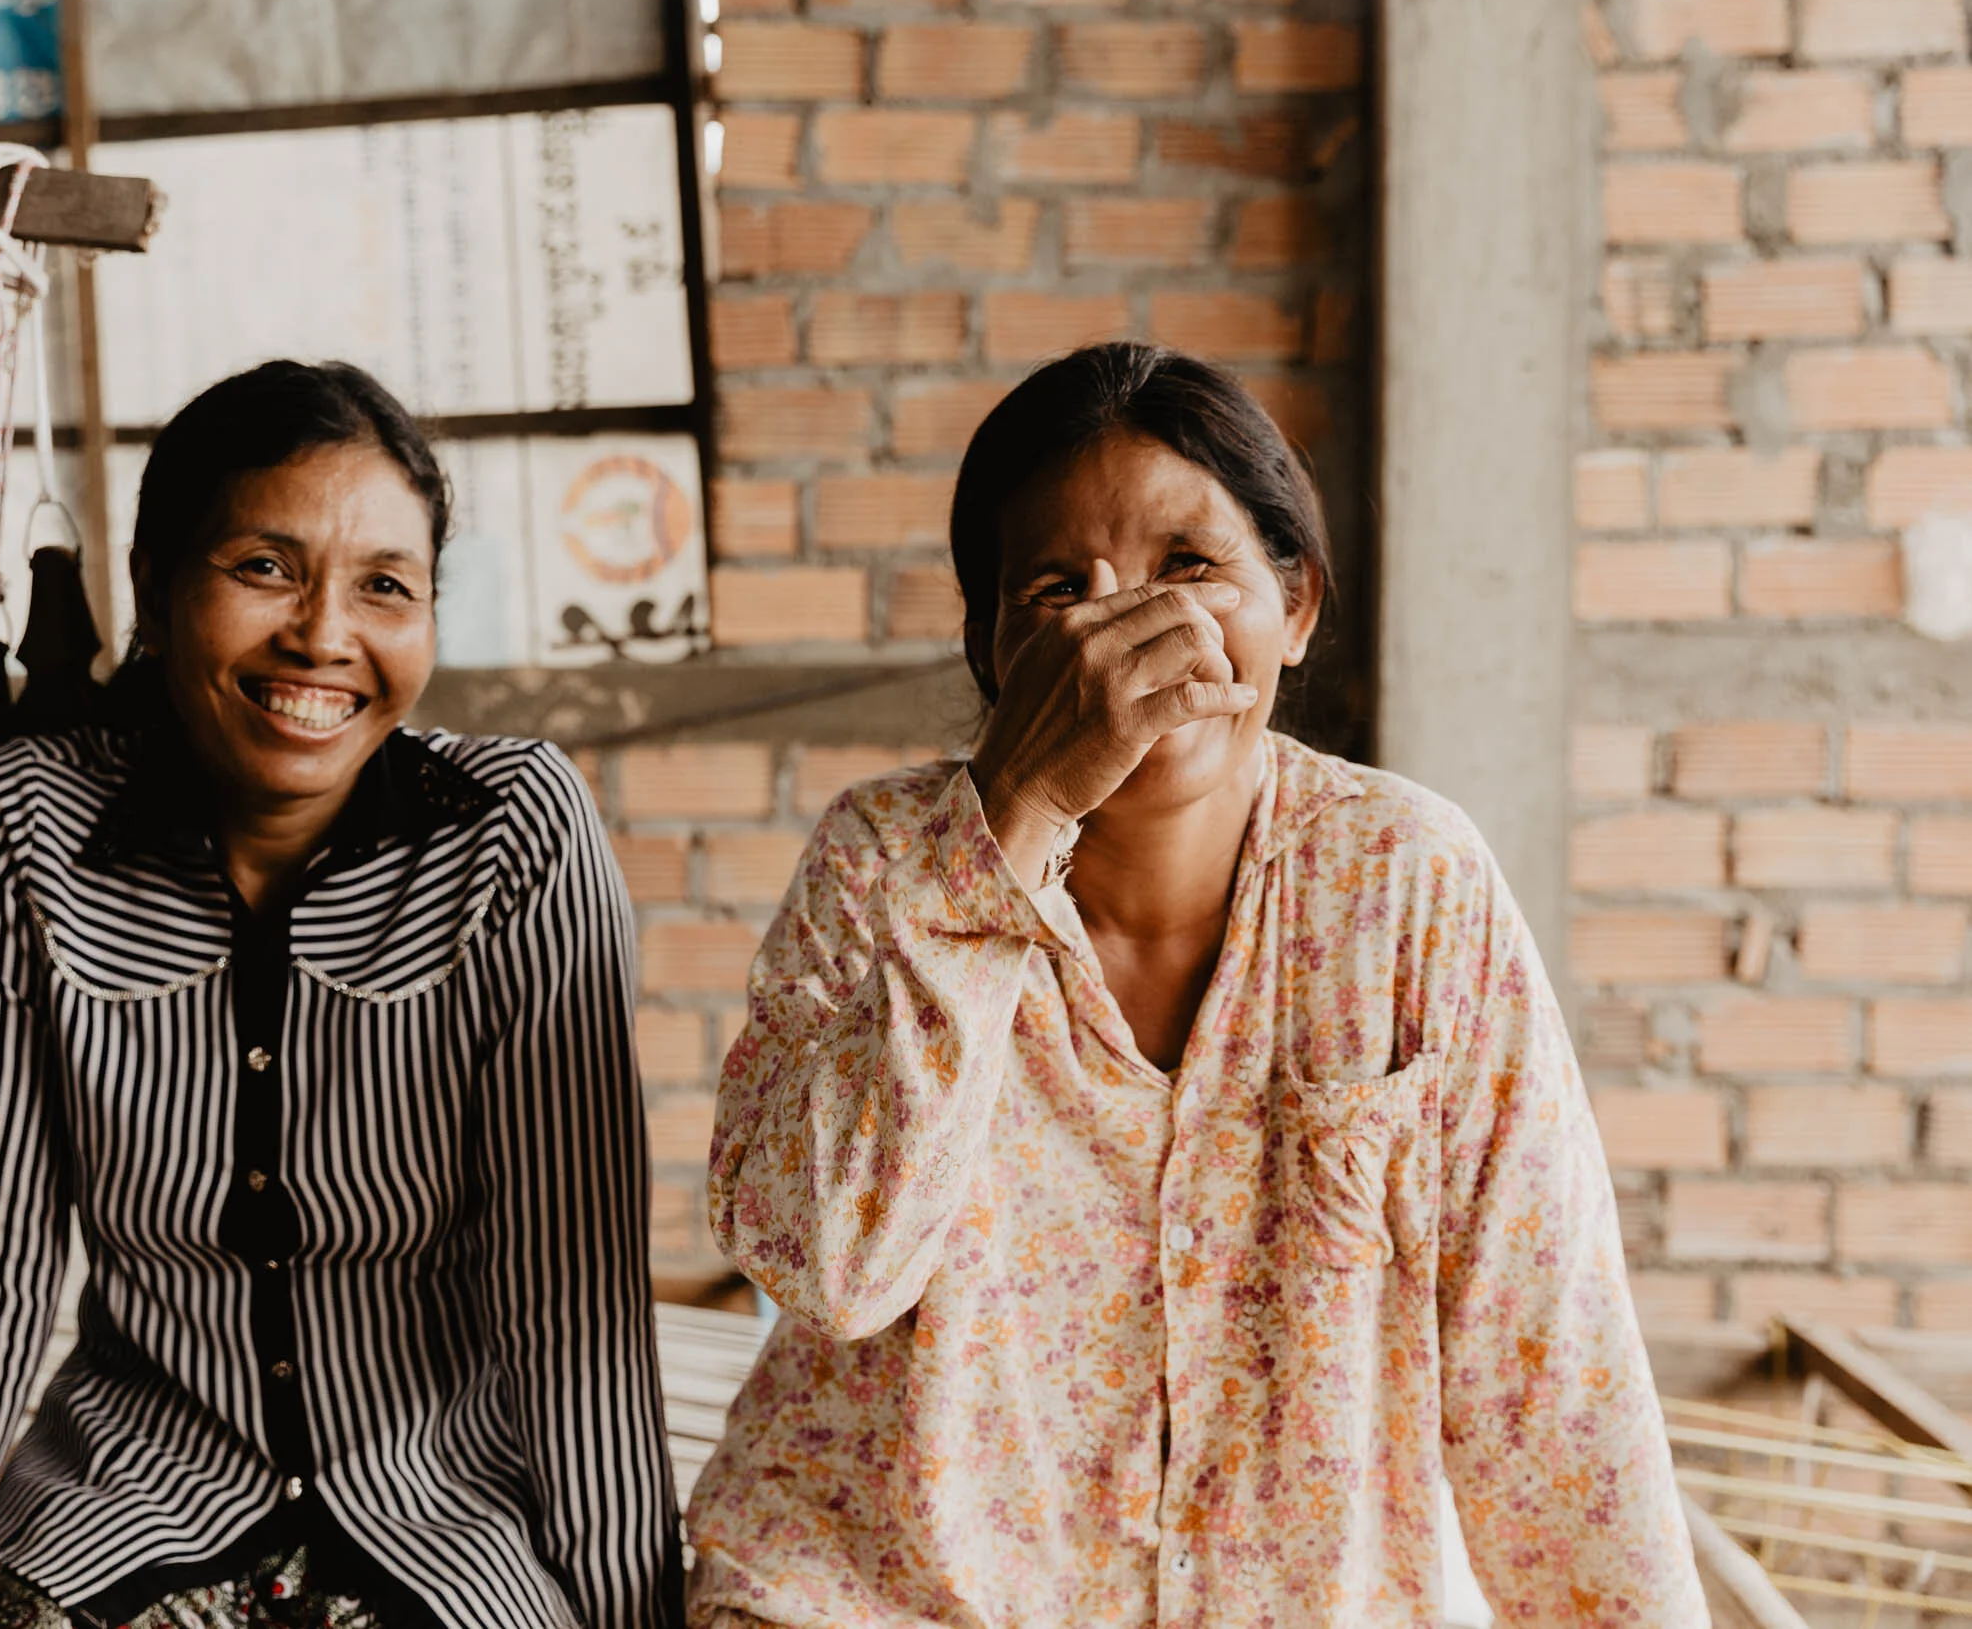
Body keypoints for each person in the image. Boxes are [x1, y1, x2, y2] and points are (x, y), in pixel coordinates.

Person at [686, 344, 1701, 1627]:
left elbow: (1548, 1365)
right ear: (994, 649)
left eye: (1189, 567)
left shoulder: (1405, 882)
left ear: (1297, 606)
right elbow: (828, 1266)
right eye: (1058, 589)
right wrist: (1014, 814)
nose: (1133, 635)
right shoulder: (884, 859)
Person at [0, 360, 683, 1629]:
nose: (323, 634)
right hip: (119, 1504)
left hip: (441, 1524)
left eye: (385, 585)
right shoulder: (25, 832)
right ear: (155, 588)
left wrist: (631, 1614)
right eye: (264, 567)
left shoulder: (512, 834)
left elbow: (571, 1312)